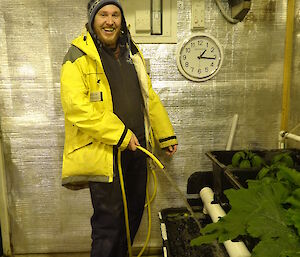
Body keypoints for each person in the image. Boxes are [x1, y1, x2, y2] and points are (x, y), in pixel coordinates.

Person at [60, 0, 178, 256]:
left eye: (115, 15)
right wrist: (120, 134)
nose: (110, 21)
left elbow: (149, 96)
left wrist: (165, 134)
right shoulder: (78, 56)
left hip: (136, 149)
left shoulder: (132, 52)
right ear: (92, 19)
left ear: (122, 20)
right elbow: (77, 108)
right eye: (103, 14)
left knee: (133, 214)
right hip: (105, 152)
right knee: (109, 223)